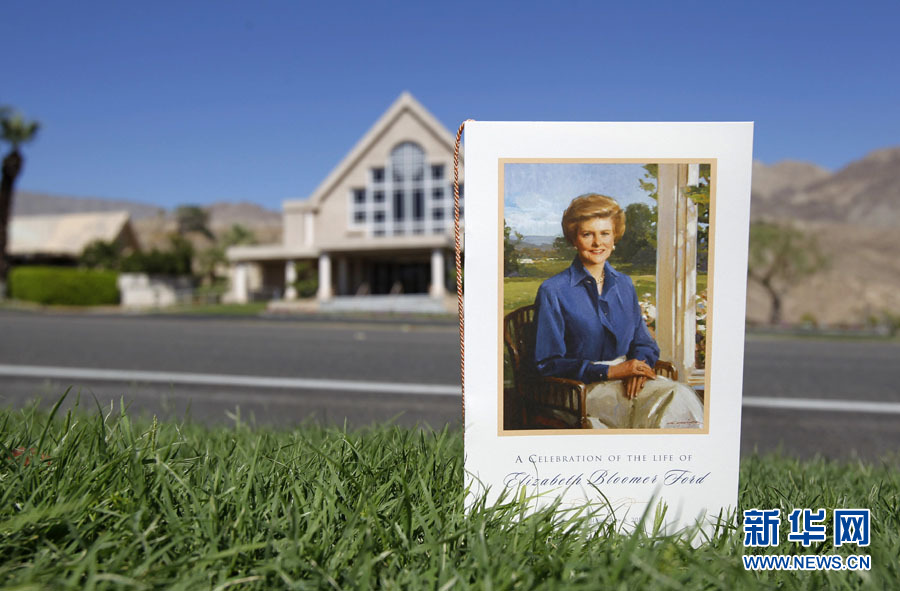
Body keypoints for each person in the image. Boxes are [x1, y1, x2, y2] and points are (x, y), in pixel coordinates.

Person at [533, 193, 703, 429]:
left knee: (678, 394)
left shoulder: (624, 284)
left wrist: (638, 368)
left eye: (604, 233)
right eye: (587, 234)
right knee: (668, 399)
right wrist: (612, 371)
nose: (597, 243)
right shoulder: (553, 290)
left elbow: (644, 342)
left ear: (614, 238)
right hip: (579, 390)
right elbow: (548, 364)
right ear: (574, 240)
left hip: (629, 382)